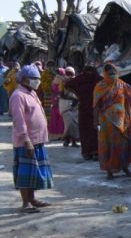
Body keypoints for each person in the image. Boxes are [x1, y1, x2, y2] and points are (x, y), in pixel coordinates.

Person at [9, 64, 53, 213]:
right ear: (25, 80)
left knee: (34, 171)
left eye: (38, 78)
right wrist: (26, 140)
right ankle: (25, 203)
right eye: (35, 78)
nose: (38, 81)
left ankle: (32, 199)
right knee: (25, 172)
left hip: (37, 140)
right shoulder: (18, 96)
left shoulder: (31, 93)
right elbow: (19, 120)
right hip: (26, 142)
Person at [93, 63, 131, 179]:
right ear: (104, 74)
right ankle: (109, 170)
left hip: (122, 122)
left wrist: (129, 118)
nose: (112, 75)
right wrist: (95, 121)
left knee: (123, 145)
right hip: (106, 123)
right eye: (109, 73)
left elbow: (127, 103)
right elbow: (96, 105)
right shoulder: (100, 86)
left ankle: (125, 166)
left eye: (113, 73)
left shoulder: (122, 85)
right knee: (108, 146)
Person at [69, 65, 101, 160]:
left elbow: (67, 86)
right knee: (89, 130)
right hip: (89, 108)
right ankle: (90, 152)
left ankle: (93, 152)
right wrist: (77, 95)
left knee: (92, 130)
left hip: (93, 108)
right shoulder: (97, 78)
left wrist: (77, 95)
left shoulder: (96, 79)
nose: (89, 73)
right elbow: (67, 86)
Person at [58, 67, 79, 147]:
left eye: (71, 74)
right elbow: (62, 93)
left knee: (75, 124)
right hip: (66, 105)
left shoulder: (76, 81)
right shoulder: (63, 82)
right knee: (68, 124)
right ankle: (66, 140)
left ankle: (74, 141)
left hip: (75, 106)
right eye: (68, 74)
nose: (69, 75)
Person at [48, 67, 67, 139]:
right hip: (60, 100)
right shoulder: (63, 80)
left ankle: (55, 135)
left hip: (55, 100)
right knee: (60, 118)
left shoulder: (55, 80)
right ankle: (61, 135)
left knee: (55, 118)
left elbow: (52, 90)